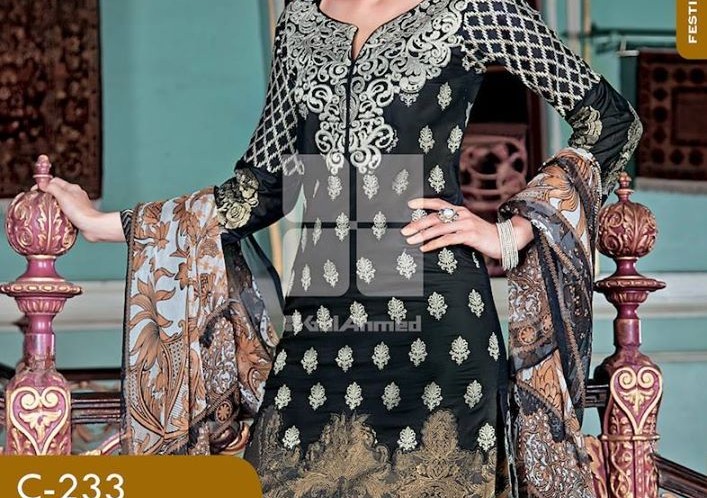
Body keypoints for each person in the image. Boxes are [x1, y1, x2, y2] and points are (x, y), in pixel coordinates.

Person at [42, 0, 643, 496]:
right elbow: (263, 189)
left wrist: (509, 232)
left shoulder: (476, 10)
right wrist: (103, 224)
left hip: (438, 317)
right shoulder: (301, 18)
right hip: (321, 318)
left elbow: (612, 122)